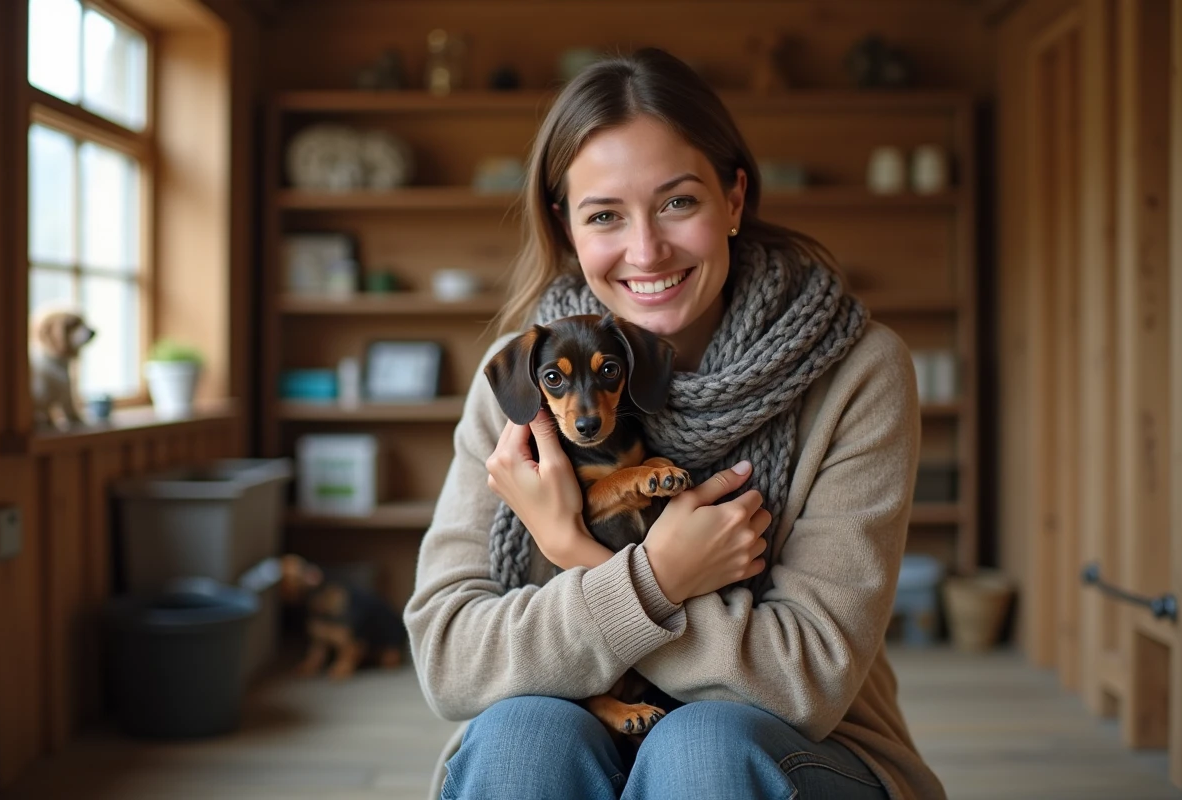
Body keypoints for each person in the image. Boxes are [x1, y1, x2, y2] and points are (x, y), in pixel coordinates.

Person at [404, 47, 946, 800]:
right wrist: (654, 577)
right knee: (521, 741)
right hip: (578, 714)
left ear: (733, 198)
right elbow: (451, 660)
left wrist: (578, 552)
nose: (646, 250)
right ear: (565, 227)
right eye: (604, 215)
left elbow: (805, 681)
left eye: (678, 202)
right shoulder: (521, 377)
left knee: (703, 748)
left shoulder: (856, 370)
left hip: (793, 748)